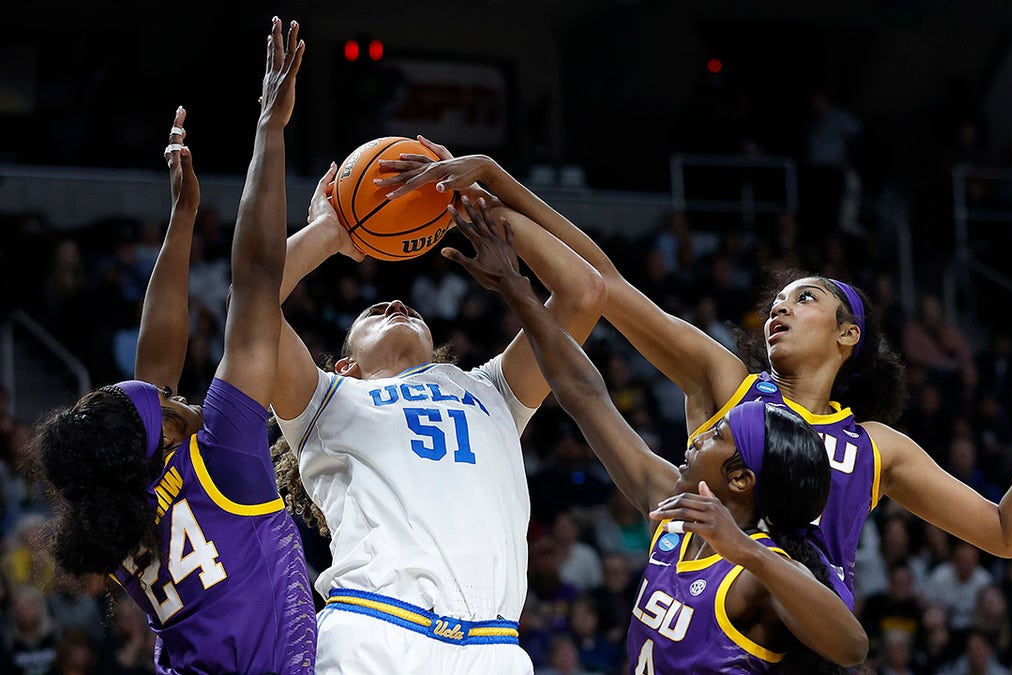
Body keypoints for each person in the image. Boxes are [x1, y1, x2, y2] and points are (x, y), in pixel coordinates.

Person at [376, 151, 1012, 610]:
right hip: (691, 625)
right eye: (778, 301)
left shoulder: (876, 446)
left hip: (796, 646)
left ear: (848, 335)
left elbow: (1008, 532)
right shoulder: (725, 379)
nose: (781, 309)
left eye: (806, 298)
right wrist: (495, 190)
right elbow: (605, 281)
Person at [441, 197, 867, 673]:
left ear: (741, 479)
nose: (696, 441)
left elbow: (852, 647)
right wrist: (517, 291)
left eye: (716, 437)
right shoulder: (673, 516)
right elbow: (584, 393)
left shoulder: (757, 570)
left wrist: (746, 549)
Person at [30, 18, 316, 673]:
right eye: (167, 403)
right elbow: (257, 285)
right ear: (159, 443)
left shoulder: (116, 508)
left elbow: (153, 366)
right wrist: (269, 133)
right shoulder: (223, 455)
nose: (176, 393)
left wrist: (180, 222)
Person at [270, 157, 606, 672]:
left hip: (493, 649)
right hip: (375, 631)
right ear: (347, 367)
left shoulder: (493, 390)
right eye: (373, 311)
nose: (395, 304)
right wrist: (329, 231)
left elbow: (584, 293)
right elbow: (251, 307)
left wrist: (474, 207)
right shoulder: (327, 400)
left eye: (400, 306)